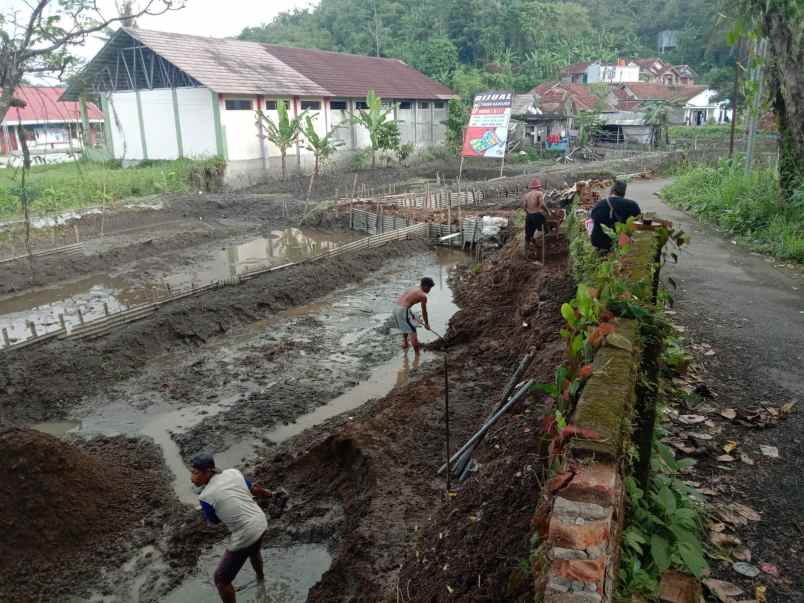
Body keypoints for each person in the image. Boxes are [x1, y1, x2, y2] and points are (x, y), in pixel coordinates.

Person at [191, 453, 273, 603]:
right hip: (261, 521)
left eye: (196, 473)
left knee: (221, 579)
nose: (192, 477)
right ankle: (261, 579)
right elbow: (254, 489)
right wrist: (269, 494)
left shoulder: (205, 497)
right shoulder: (233, 473)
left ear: (208, 472)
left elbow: (214, 522)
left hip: (246, 533)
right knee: (254, 551)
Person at [589, 179, 642, 251]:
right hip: (620, 242)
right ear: (624, 192)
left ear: (612, 190)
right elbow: (638, 222)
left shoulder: (599, 204)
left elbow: (592, 217)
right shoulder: (632, 205)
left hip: (598, 241)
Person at [394, 277, 434, 352]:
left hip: (396, 308)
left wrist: (410, 313)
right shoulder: (423, 296)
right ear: (425, 286)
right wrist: (426, 324)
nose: (429, 290)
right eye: (429, 288)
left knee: (405, 326)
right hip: (403, 310)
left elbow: (405, 300)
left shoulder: (413, 289)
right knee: (413, 333)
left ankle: (405, 343)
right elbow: (424, 311)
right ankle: (417, 357)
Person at [523, 177, 552, 245]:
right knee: (545, 230)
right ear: (538, 186)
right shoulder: (539, 193)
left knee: (529, 233)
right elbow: (542, 204)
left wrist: (529, 213)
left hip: (529, 216)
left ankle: (530, 243)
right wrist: (547, 211)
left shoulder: (526, 195)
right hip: (537, 215)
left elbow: (524, 207)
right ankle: (536, 239)